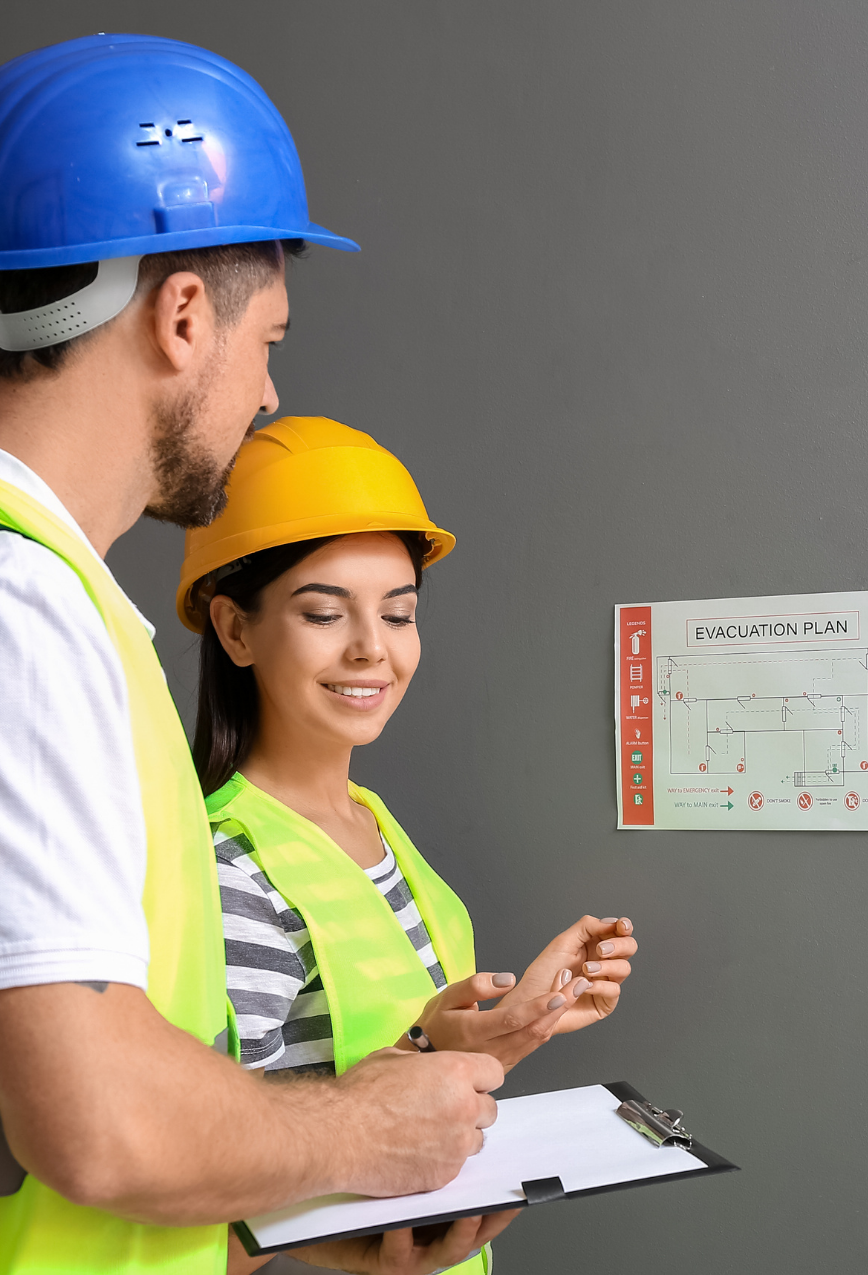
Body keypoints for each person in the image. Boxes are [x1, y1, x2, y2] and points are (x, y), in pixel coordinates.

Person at [0, 35, 507, 1275]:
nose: (270, 393)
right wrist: (358, 1129)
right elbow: (100, 1125)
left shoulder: (67, 602)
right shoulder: (23, 606)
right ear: (182, 315)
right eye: (269, 340)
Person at [175, 415, 638, 1274]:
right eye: (323, 612)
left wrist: (513, 1022)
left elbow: (388, 1079)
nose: (372, 649)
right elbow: (197, 1197)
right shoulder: (228, 863)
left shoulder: (372, 820)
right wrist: (352, 1252)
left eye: (399, 613)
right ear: (236, 631)